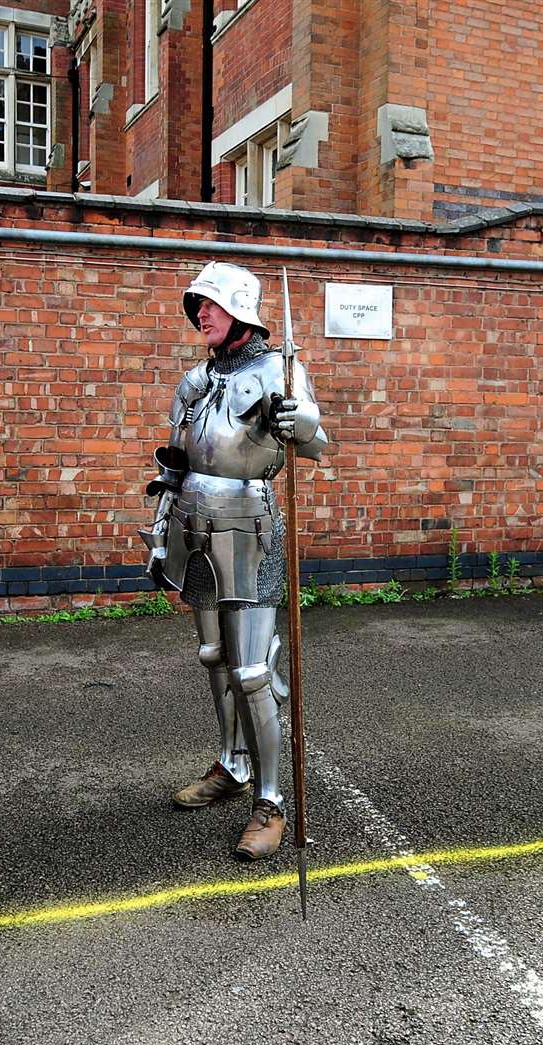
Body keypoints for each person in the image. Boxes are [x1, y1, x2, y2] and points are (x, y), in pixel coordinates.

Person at [139, 261, 328, 861]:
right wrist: (161, 532)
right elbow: (175, 462)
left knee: (252, 672)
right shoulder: (195, 381)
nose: (201, 314)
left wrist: (300, 423)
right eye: (197, 305)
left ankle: (270, 803)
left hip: (249, 524)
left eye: (210, 305)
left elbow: (318, 443)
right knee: (214, 657)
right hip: (195, 525)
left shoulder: (280, 370)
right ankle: (232, 764)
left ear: (240, 310)